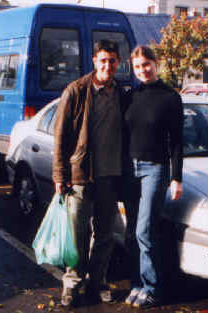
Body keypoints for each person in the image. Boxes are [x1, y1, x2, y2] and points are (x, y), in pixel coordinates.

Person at [52, 39, 129, 307]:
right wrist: (60, 175)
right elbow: (60, 136)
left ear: (118, 63)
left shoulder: (120, 92)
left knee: (105, 236)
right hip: (80, 176)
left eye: (112, 60)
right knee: (78, 236)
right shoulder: (76, 91)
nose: (107, 65)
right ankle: (72, 285)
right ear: (94, 61)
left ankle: (97, 283)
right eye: (103, 60)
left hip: (110, 177)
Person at [123, 45, 184, 308]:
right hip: (129, 170)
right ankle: (136, 283)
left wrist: (176, 177)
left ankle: (153, 287)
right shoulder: (130, 96)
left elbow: (178, 141)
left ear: (155, 63)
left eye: (146, 64)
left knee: (144, 230)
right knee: (131, 231)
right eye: (137, 67)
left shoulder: (170, 97)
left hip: (154, 169)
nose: (143, 70)